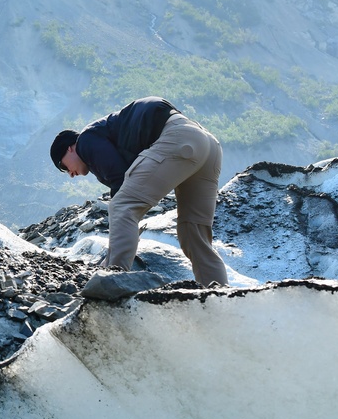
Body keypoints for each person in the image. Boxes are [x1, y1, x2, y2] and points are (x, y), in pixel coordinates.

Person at [50, 96, 229, 287]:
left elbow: (120, 181)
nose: (70, 174)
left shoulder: (85, 141)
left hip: (179, 138)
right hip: (207, 145)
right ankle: (219, 295)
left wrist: (109, 264)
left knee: (121, 207)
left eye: (63, 166)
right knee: (193, 231)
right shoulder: (104, 133)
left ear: (70, 148)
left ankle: (111, 281)